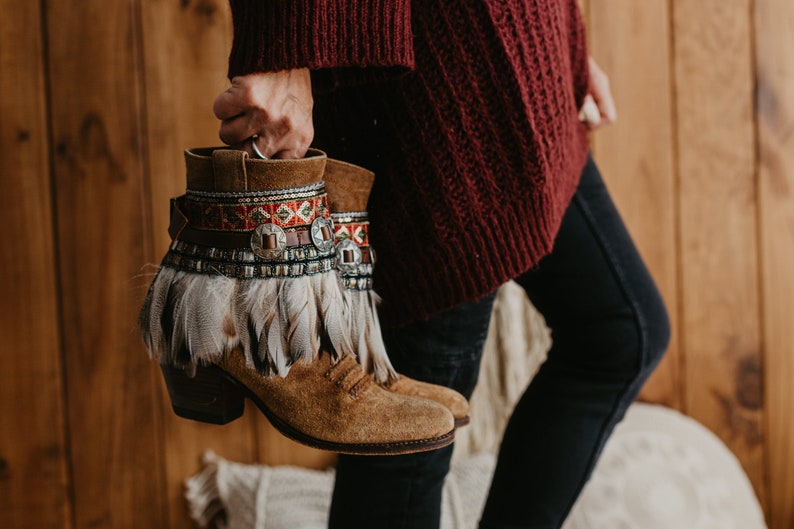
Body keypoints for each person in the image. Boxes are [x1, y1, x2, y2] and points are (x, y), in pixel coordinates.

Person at [212, 1, 670, 528]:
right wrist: (282, 47)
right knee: (409, 439)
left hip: (524, 56)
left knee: (621, 334)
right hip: (435, 83)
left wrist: (562, 35)